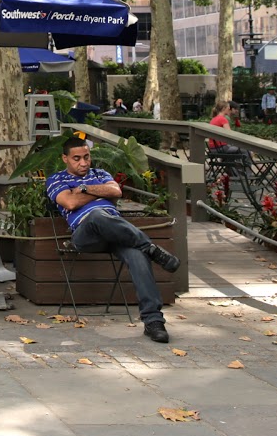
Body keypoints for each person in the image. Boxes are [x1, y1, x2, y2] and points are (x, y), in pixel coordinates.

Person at [46, 133, 180, 344]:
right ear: (65, 159)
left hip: (116, 233)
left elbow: (115, 190)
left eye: (87, 157)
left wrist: (84, 189)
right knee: (98, 215)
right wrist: (101, 194)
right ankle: (151, 247)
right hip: (85, 234)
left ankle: (154, 321)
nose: (83, 163)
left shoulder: (99, 173)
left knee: (137, 255)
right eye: (77, 158)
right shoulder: (56, 179)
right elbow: (69, 204)